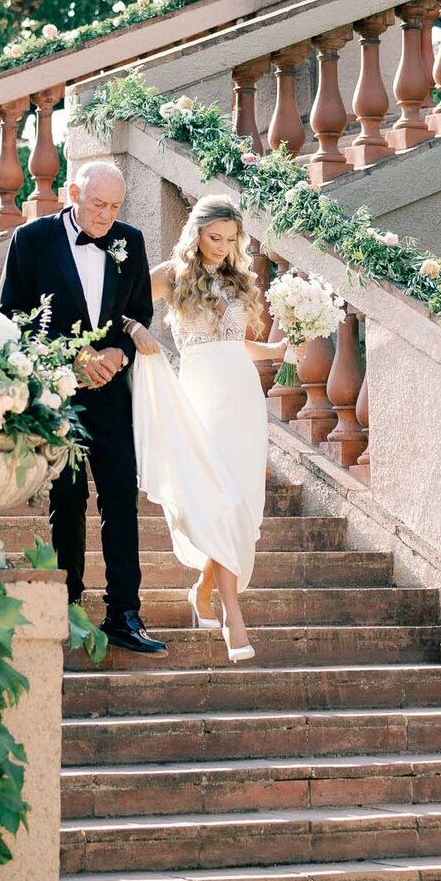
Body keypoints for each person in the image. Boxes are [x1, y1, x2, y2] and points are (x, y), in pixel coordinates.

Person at [0, 158, 166, 655]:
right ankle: (66, 608)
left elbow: (139, 315)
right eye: (98, 204)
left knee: (120, 499)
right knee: (67, 502)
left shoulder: (129, 241)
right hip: (57, 391)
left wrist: (119, 352)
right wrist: (68, 355)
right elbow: (11, 316)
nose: (106, 216)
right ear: (73, 192)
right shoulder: (31, 240)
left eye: (115, 206)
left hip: (112, 393)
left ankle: (124, 614)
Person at [125, 195, 283, 663]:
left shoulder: (236, 279)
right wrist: (138, 332)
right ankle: (233, 613)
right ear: (195, 234)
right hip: (199, 395)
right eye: (215, 238)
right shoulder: (171, 275)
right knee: (216, 499)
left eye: (231, 240)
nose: (222, 247)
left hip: (242, 398)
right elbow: (118, 307)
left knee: (238, 504)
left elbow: (234, 345)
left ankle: (202, 590)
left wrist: (275, 353)